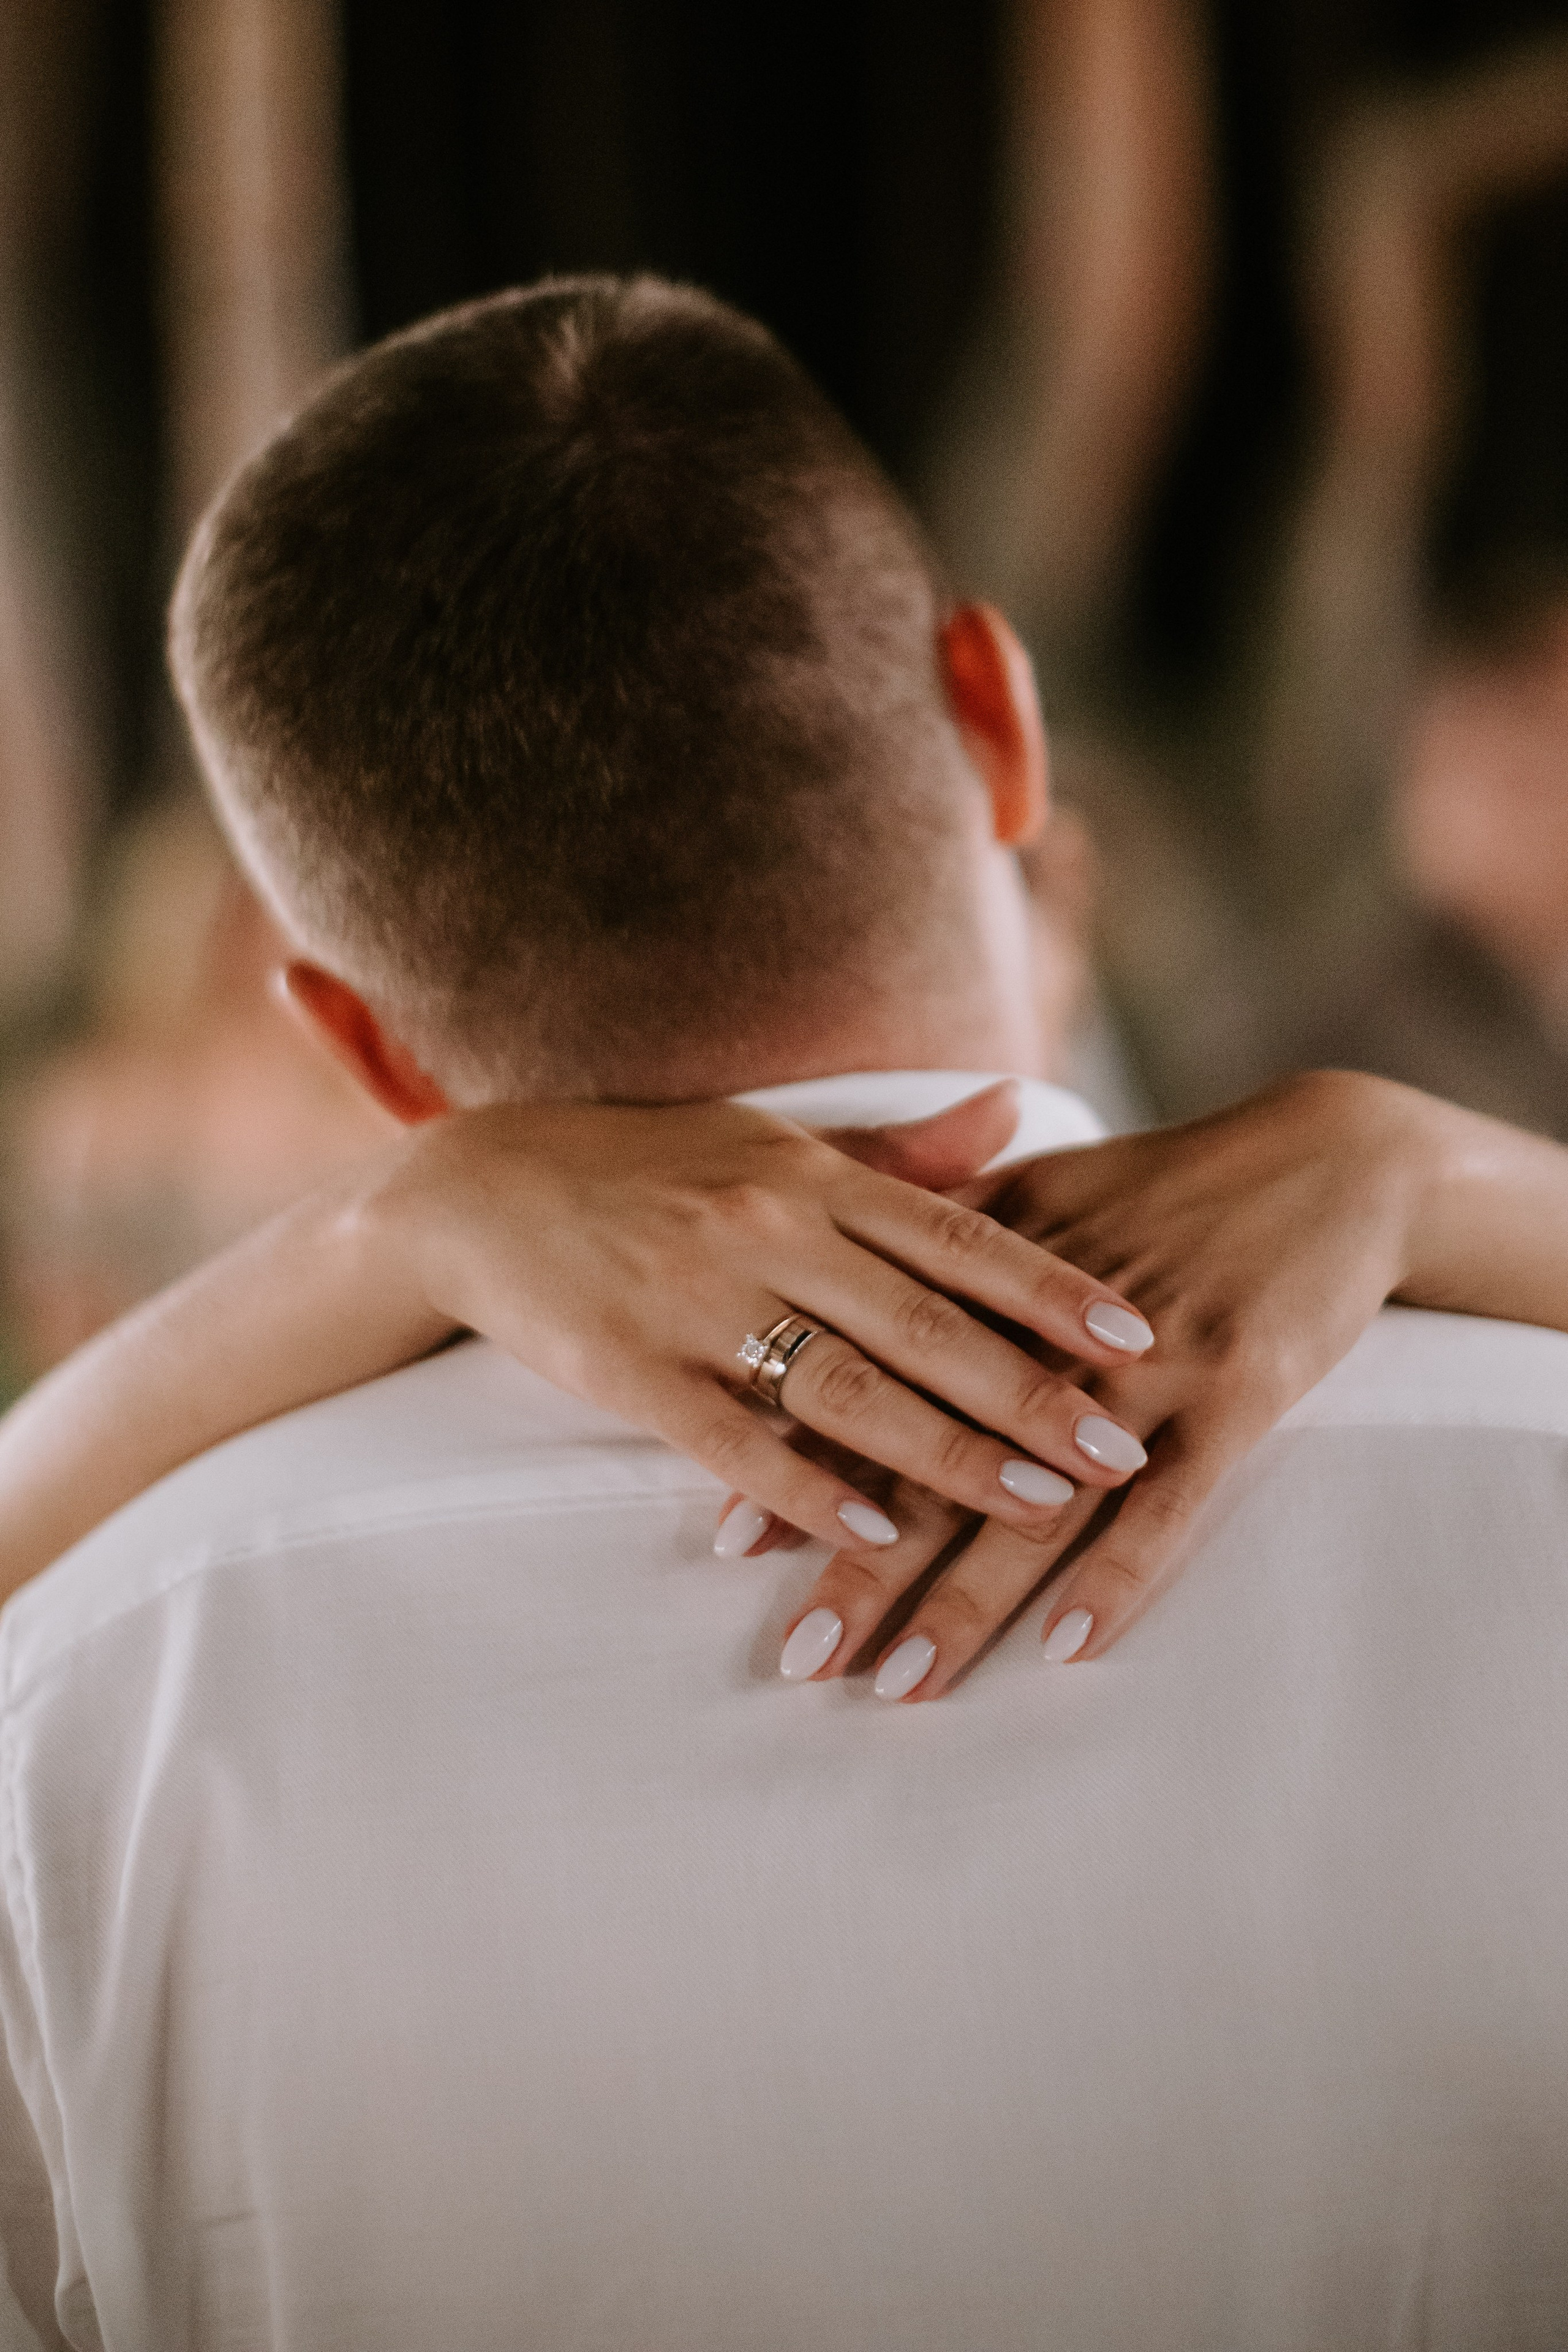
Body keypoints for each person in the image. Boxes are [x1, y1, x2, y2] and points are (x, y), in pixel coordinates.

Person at [1, 276, 1567, 2347]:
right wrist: (1471, 1180)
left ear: (353, 1041)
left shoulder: (91, 1710)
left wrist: (355, 1247)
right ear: (1000, 721)